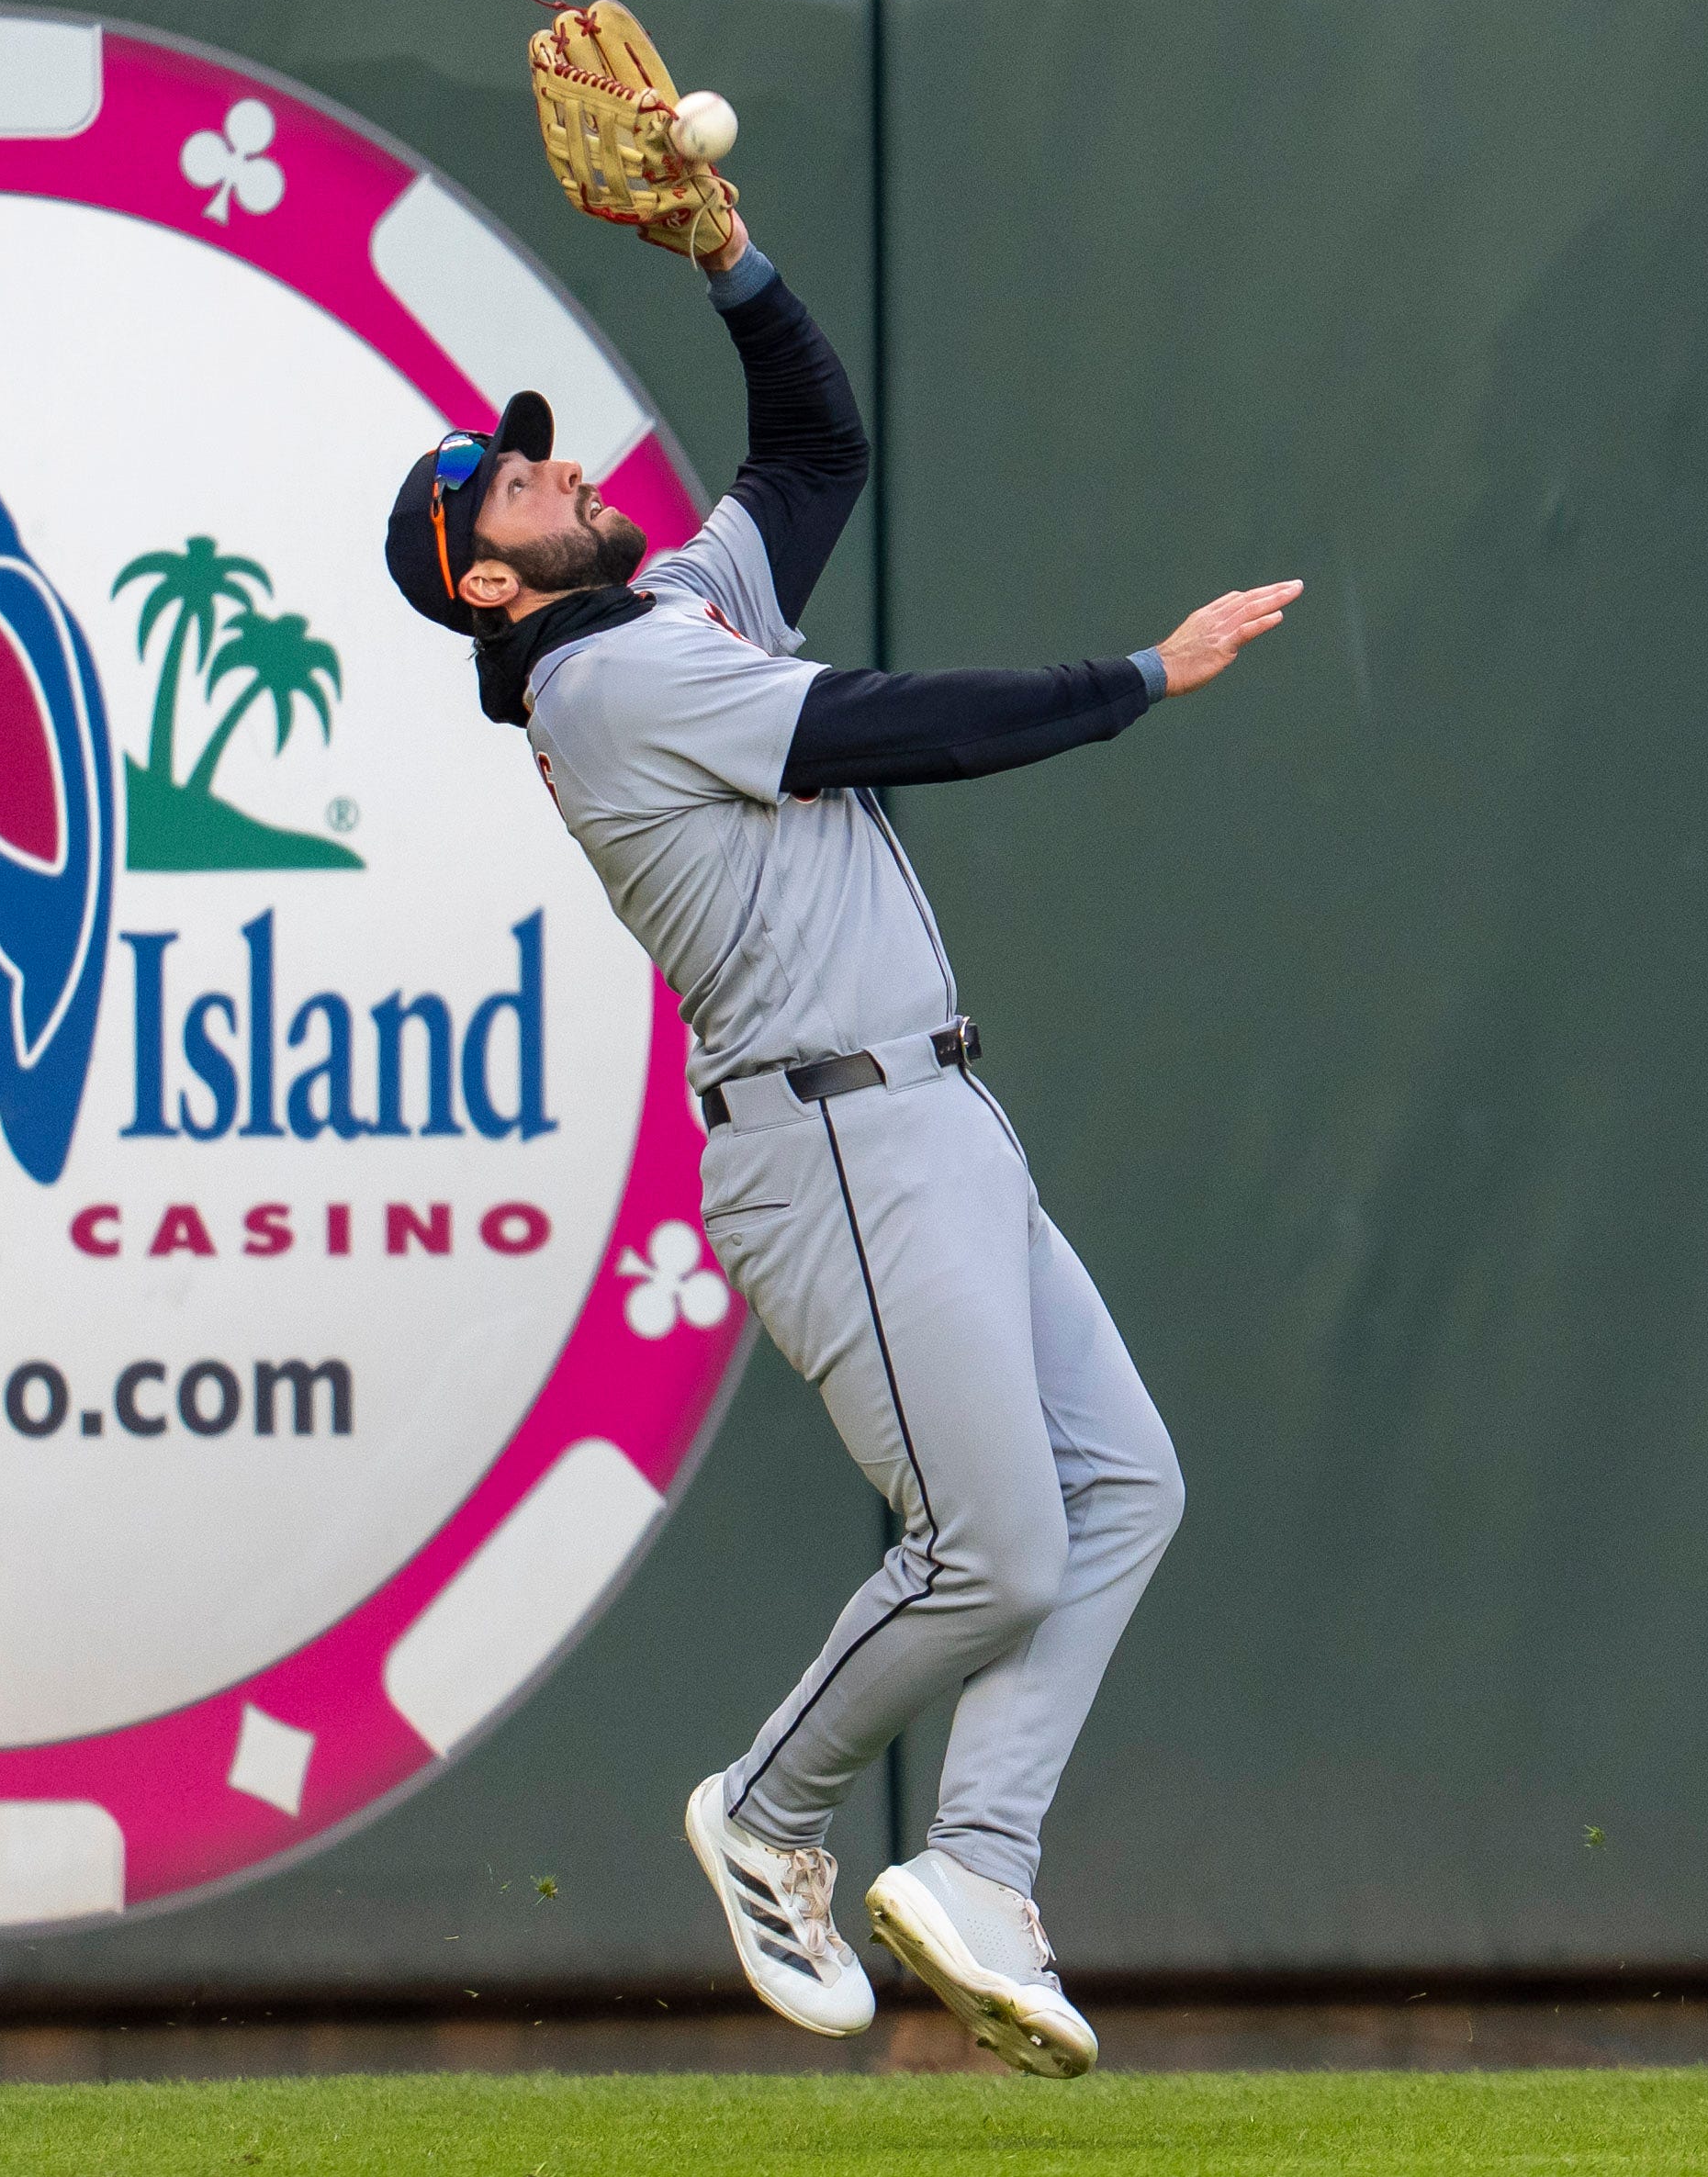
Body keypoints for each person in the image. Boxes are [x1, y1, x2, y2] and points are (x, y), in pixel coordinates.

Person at [380, 208, 1292, 2077]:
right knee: (995, 1549)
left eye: (536, 454)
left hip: (931, 1112)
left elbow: (815, 453)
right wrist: (1138, 676)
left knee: (1124, 1488)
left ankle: (980, 1867)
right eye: (516, 483)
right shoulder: (601, 681)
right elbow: (893, 724)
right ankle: (770, 1811)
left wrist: (730, 261)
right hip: (832, 1138)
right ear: (486, 583)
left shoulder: (663, 611)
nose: (557, 468)